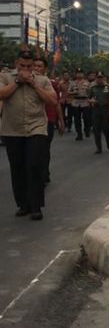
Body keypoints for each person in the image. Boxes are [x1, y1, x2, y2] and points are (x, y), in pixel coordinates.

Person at [0, 50, 58, 220]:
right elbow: (1, 94)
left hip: (36, 127)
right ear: (16, 63)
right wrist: (18, 81)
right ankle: (23, 204)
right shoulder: (5, 77)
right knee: (17, 167)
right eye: (22, 65)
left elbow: (52, 101)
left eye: (29, 66)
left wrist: (34, 85)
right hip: (12, 129)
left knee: (34, 165)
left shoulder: (42, 80)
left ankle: (36, 206)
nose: (25, 69)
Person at [32, 57, 64, 184]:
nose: (36, 68)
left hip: (48, 120)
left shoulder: (51, 83)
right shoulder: (24, 82)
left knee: (44, 149)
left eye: (40, 66)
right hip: (32, 120)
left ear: (44, 69)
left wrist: (61, 120)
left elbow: (56, 103)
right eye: (34, 65)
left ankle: (44, 173)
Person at [88, 71, 109, 154]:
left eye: (101, 77)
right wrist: (91, 100)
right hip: (96, 109)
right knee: (96, 129)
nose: (100, 79)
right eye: (98, 77)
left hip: (106, 109)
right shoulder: (92, 87)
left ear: (103, 78)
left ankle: (108, 139)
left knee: (106, 128)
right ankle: (98, 147)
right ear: (96, 78)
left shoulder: (107, 86)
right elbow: (88, 98)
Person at [68, 69, 90, 140]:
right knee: (77, 119)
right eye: (78, 73)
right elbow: (68, 91)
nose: (79, 75)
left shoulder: (87, 83)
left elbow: (91, 92)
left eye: (81, 73)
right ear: (75, 74)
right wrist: (73, 93)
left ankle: (87, 129)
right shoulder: (72, 83)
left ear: (83, 74)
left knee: (86, 118)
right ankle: (79, 133)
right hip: (76, 102)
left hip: (85, 102)